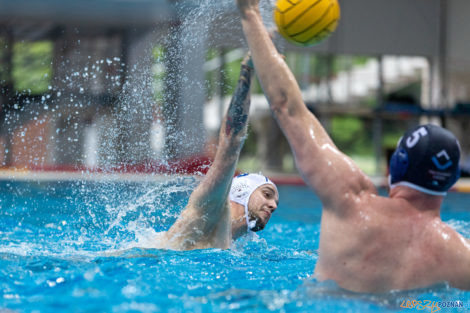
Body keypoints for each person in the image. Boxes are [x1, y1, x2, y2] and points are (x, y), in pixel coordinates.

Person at [235, 0, 470, 292]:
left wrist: (249, 13)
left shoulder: (349, 200)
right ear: (450, 184)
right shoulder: (461, 257)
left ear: (393, 168)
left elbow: (287, 107)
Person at [159, 54, 279, 251]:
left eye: (274, 201)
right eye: (267, 194)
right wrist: (247, 72)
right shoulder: (210, 211)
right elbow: (230, 146)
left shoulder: (230, 243)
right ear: (241, 190)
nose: (273, 205)